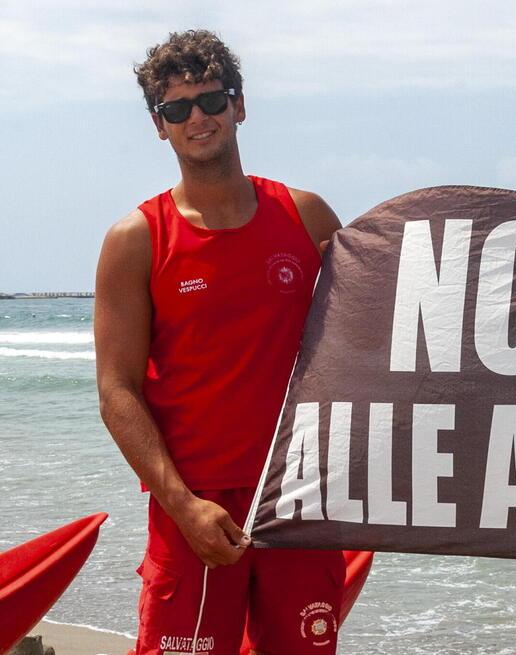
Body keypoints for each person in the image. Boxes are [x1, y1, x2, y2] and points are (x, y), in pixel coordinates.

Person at [94, 30, 345, 655]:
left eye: (211, 100)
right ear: (160, 126)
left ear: (240, 105)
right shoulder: (137, 240)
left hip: (300, 502)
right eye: (177, 109)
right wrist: (182, 506)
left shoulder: (306, 216)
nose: (197, 118)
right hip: (197, 507)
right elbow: (116, 390)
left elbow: (366, 342)